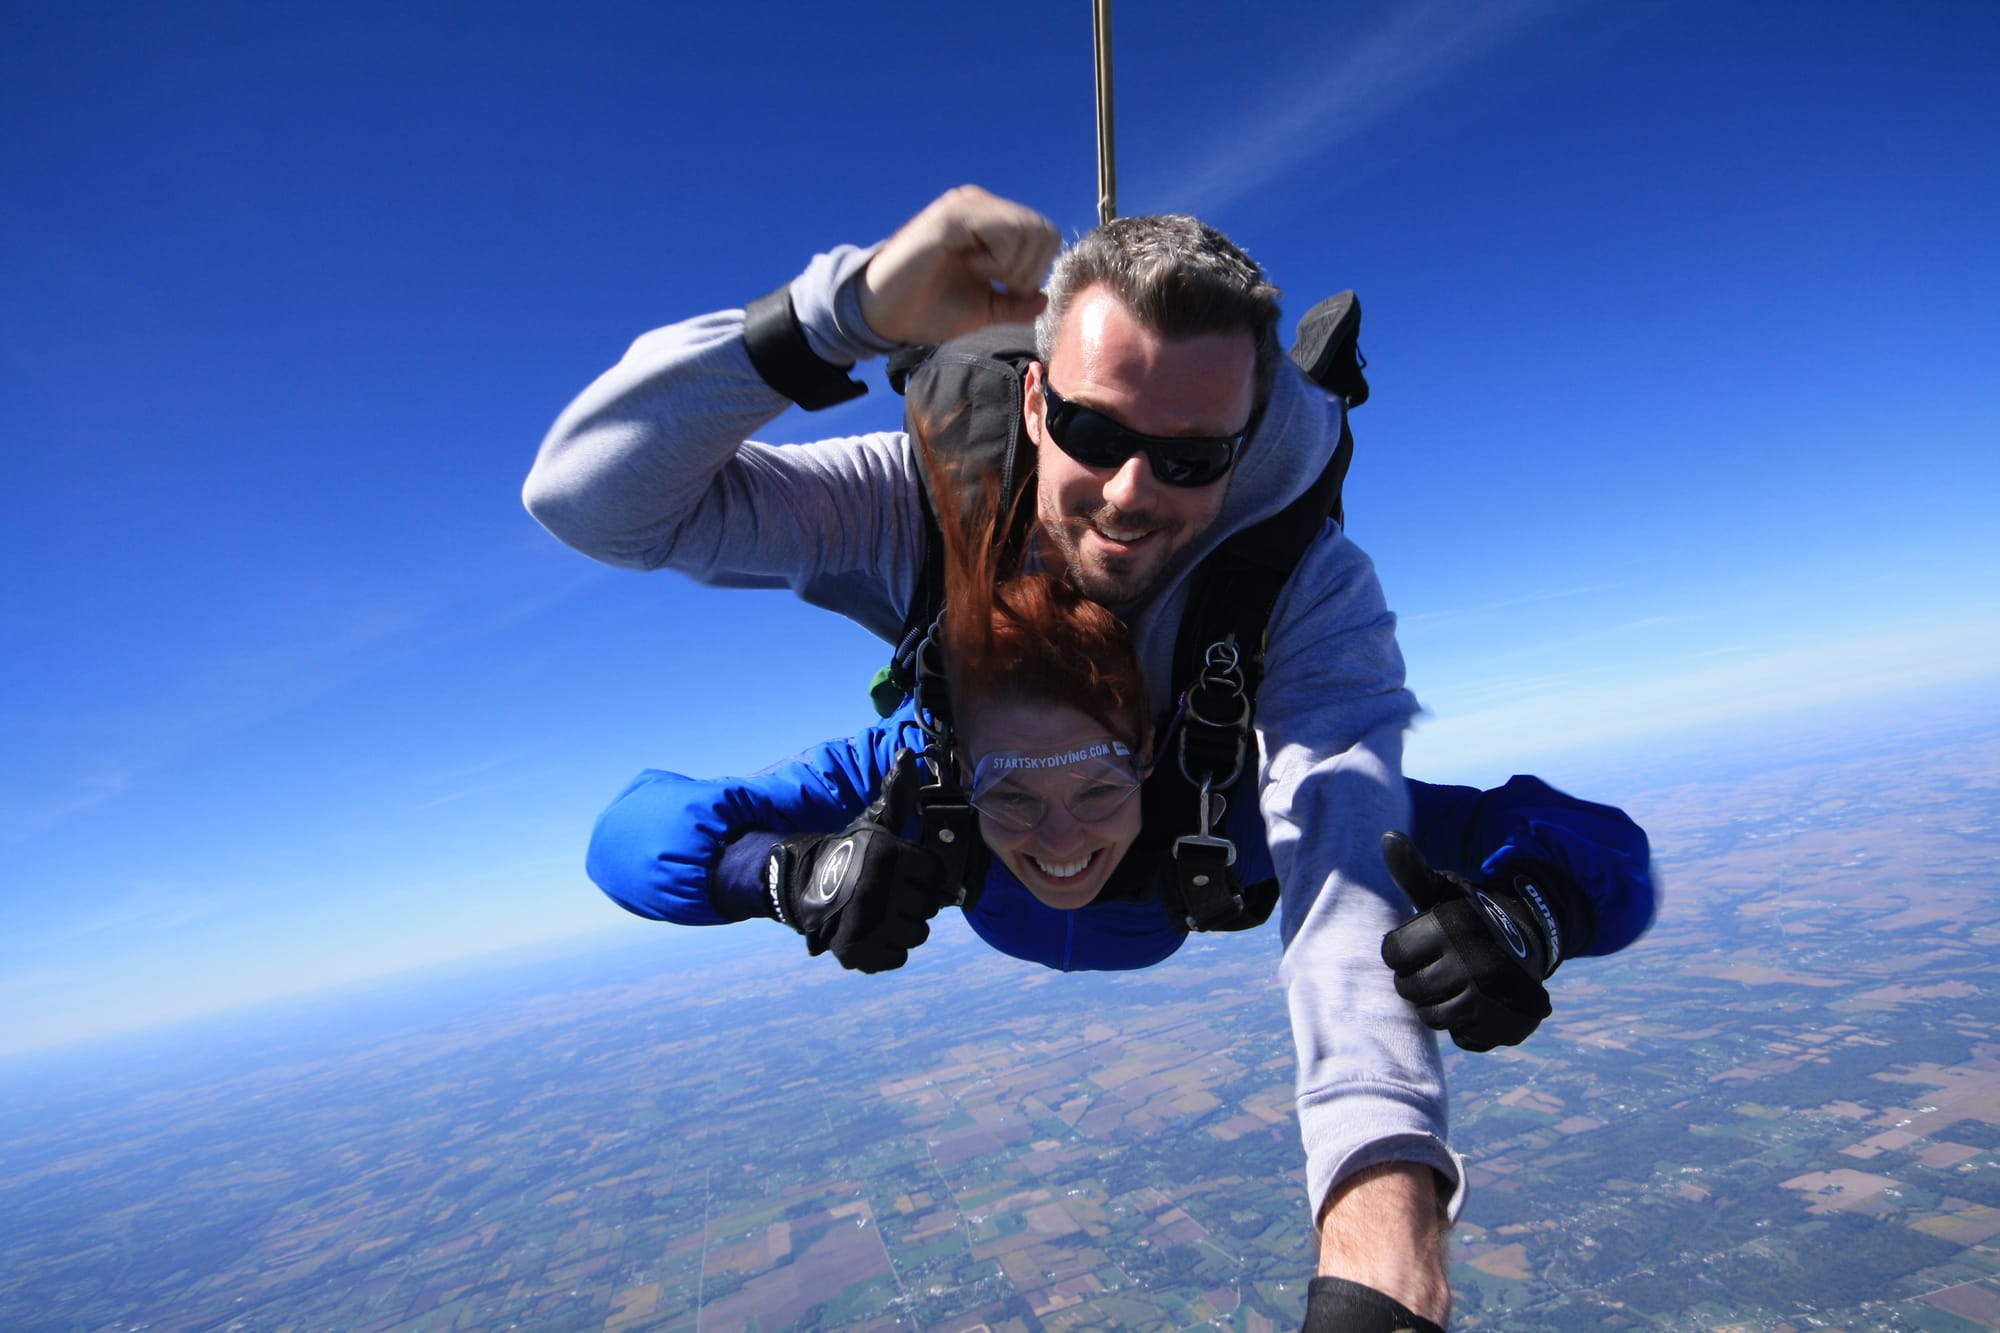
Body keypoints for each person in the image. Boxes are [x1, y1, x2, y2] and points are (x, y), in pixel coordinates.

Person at [524, 186, 1648, 1330]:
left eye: (1193, 452)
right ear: (1031, 396)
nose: (1127, 495)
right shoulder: (917, 598)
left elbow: (1368, 866)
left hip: (1199, 827)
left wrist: (1513, 927)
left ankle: (1300, 392)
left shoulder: (1278, 676)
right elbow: (590, 514)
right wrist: (838, 313)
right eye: (1095, 432)